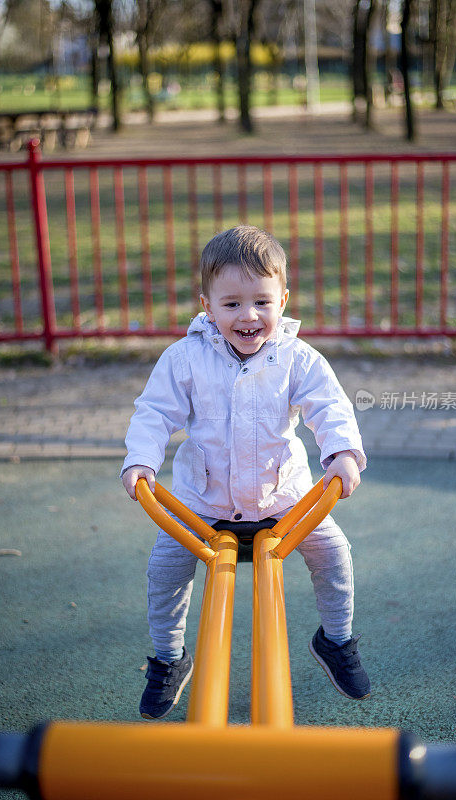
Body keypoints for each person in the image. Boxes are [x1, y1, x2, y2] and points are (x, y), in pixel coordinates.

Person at [122, 225, 371, 720]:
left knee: (334, 552)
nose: (248, 316)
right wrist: (142, 459)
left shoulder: (297, 358)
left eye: (261, 301)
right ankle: (169, 657)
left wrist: (342, 452)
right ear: (207, 306)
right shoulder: (186, 358)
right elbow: (155, 412)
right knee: (166, 570)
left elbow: (330, 406)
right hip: (203, 504)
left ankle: (336, 639)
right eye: (231, 304)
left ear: (282, 299)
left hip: (285, 501)